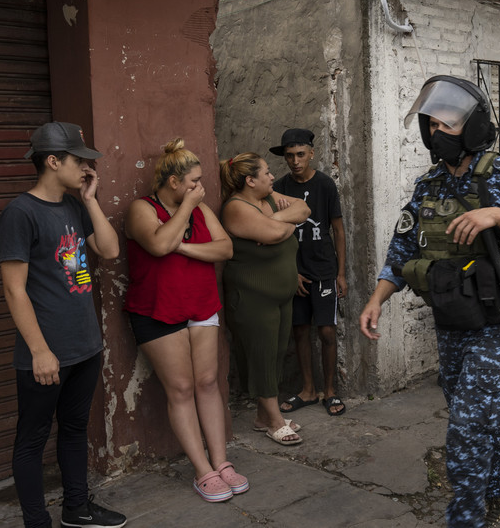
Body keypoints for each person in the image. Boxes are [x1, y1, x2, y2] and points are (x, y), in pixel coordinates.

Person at [358, 76, 500, 528]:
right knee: (472, 417)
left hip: (498, 320)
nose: (435, 134)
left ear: (471, 128)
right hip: (452, 318)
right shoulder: (428, 184)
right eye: (430, 125)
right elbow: (403, 249)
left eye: (446, 125)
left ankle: (465, 518)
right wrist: (377, 300)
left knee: (467, 425)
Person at [0, 122, 126, 528]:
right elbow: (14, 290)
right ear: (53, 161)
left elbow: (108, 249)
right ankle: (37, 521)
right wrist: (39, 351)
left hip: (85, 345)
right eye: (79, 160)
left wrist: (89, 200)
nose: (86, 167)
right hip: (46, 352)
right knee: (32, 439)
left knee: (73, 429)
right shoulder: (20, 213)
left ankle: (77, 508)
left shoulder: (73, 206)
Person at [123, 139, 247, 503]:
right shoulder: (141, 209)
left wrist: (183, 246)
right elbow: (157, 245)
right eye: (192, 182)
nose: (200, 188)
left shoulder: (201, 209)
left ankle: (221, 461)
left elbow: (225, 249)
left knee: (208, 382)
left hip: (201, 305)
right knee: (180, 388)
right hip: (157, 311)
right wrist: (186, 211)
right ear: (173, 182)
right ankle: (202, 471)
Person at [220, 153, 310, 446]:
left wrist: (277, 218)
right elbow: (273, 235)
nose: (273, 177)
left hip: (280, 296)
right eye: (267, 173)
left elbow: (304, 209)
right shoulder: (236, 207)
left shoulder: (268, 200)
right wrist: (283, 225)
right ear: (250, 180)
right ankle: (274, 421)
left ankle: (262, 417)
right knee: (261, 356)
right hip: (252, 298)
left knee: (275, 353)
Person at [270, 129, 348, 417]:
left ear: (312, 153)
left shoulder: (325, 185)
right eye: (289, 156)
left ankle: (330, 391)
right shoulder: (279, 187)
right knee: (299, 331)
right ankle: (308, 390)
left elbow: (337, 229)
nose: (295, 161)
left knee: (327, 330)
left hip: (324, 270)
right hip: (296, 273)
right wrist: (291, 273)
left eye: (300, 154)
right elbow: (274, 232)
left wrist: (340, 274)